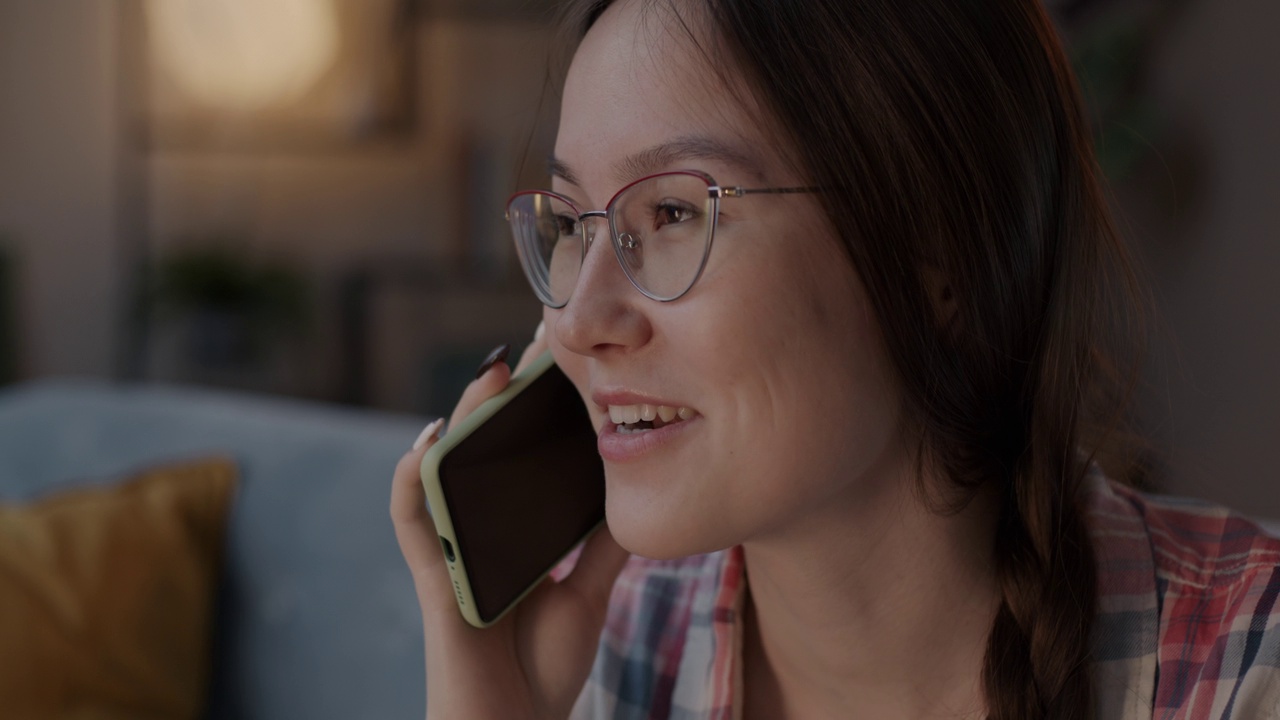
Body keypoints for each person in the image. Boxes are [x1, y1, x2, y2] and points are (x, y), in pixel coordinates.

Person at [390, 0, 1280, 717]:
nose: (579, 321)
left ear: (945, 254)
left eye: (671, 214)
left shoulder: (1247, 667)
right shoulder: (623, 647)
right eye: (576, 224)